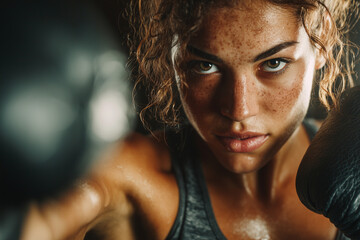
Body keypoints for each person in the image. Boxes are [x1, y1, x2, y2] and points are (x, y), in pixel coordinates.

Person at [20, 0, 359, 239]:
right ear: (171, 55)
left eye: (273, 64)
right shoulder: (132, 178)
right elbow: (40, 222)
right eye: (205, 66)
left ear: (322, 39)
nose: (239, 110)